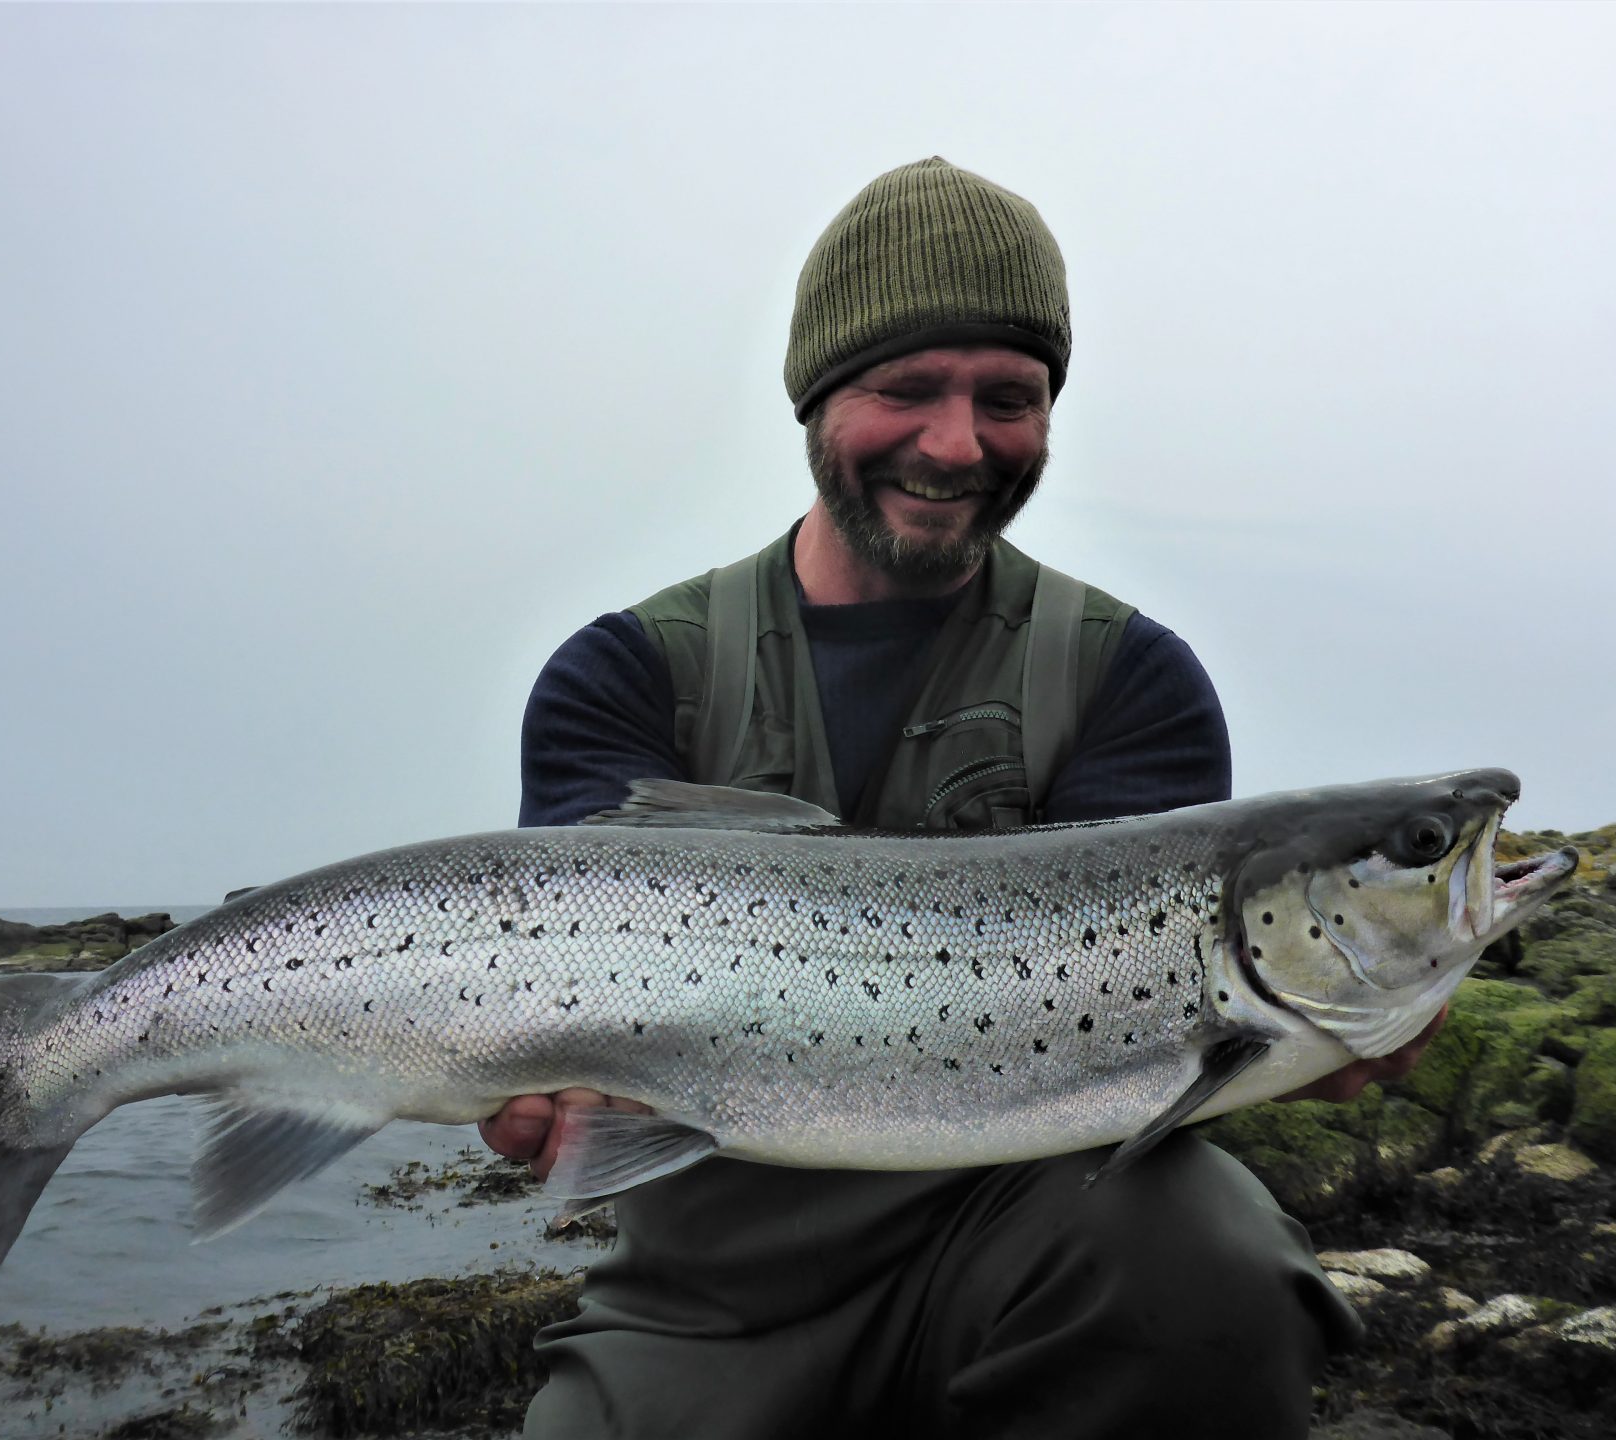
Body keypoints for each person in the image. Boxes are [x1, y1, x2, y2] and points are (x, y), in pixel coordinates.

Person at [480, 157, 1437, 1439]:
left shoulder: (1128, 680)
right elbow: (558, 1043)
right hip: (705, 1295)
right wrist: (541, 1088)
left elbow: (1152, 1063)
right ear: (817, 399)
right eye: (906, 390)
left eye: (1010, 398)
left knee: (1211, 1259)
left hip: (1032, 1240)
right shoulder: (627, 672)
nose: (957, 443)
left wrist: (1294, 1044)